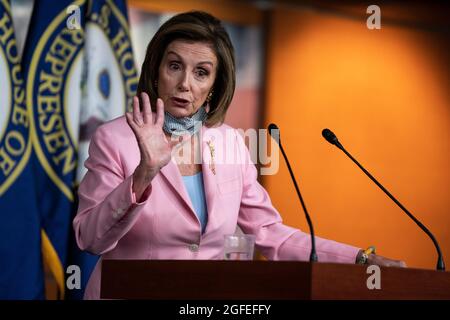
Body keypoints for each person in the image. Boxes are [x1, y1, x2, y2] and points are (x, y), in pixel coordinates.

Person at [73, 10, 406, 300]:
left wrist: (360, 259)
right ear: (156, 70)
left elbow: (268, 234)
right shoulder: (115, 139)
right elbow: (90, 238)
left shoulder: (231, 143)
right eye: (175, 66)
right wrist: (144, 173)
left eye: (201, 72)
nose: (185, 83)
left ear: (215, 85)